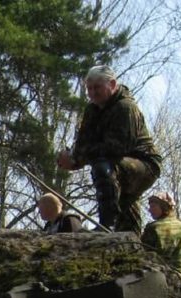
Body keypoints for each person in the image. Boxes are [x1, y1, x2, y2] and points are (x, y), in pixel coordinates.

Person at [56, 65, 162, 233]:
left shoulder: (125, 107)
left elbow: (116, 147)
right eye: (89, 88)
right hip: (119, 164)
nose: (92, 92)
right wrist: (72, 158)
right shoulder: (92, 110)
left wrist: (80, 157)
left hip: (145, 164)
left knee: (104, 167)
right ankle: (130, 240)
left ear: (112, 84)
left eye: (97, 87)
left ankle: (107, 224)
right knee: (125, 206)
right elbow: (83, 142)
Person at [141, 190, 181, 280]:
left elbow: (143, 256)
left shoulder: (154, 227)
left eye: (153, 206)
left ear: (164, 207)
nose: (149, 210)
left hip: (161, 280)